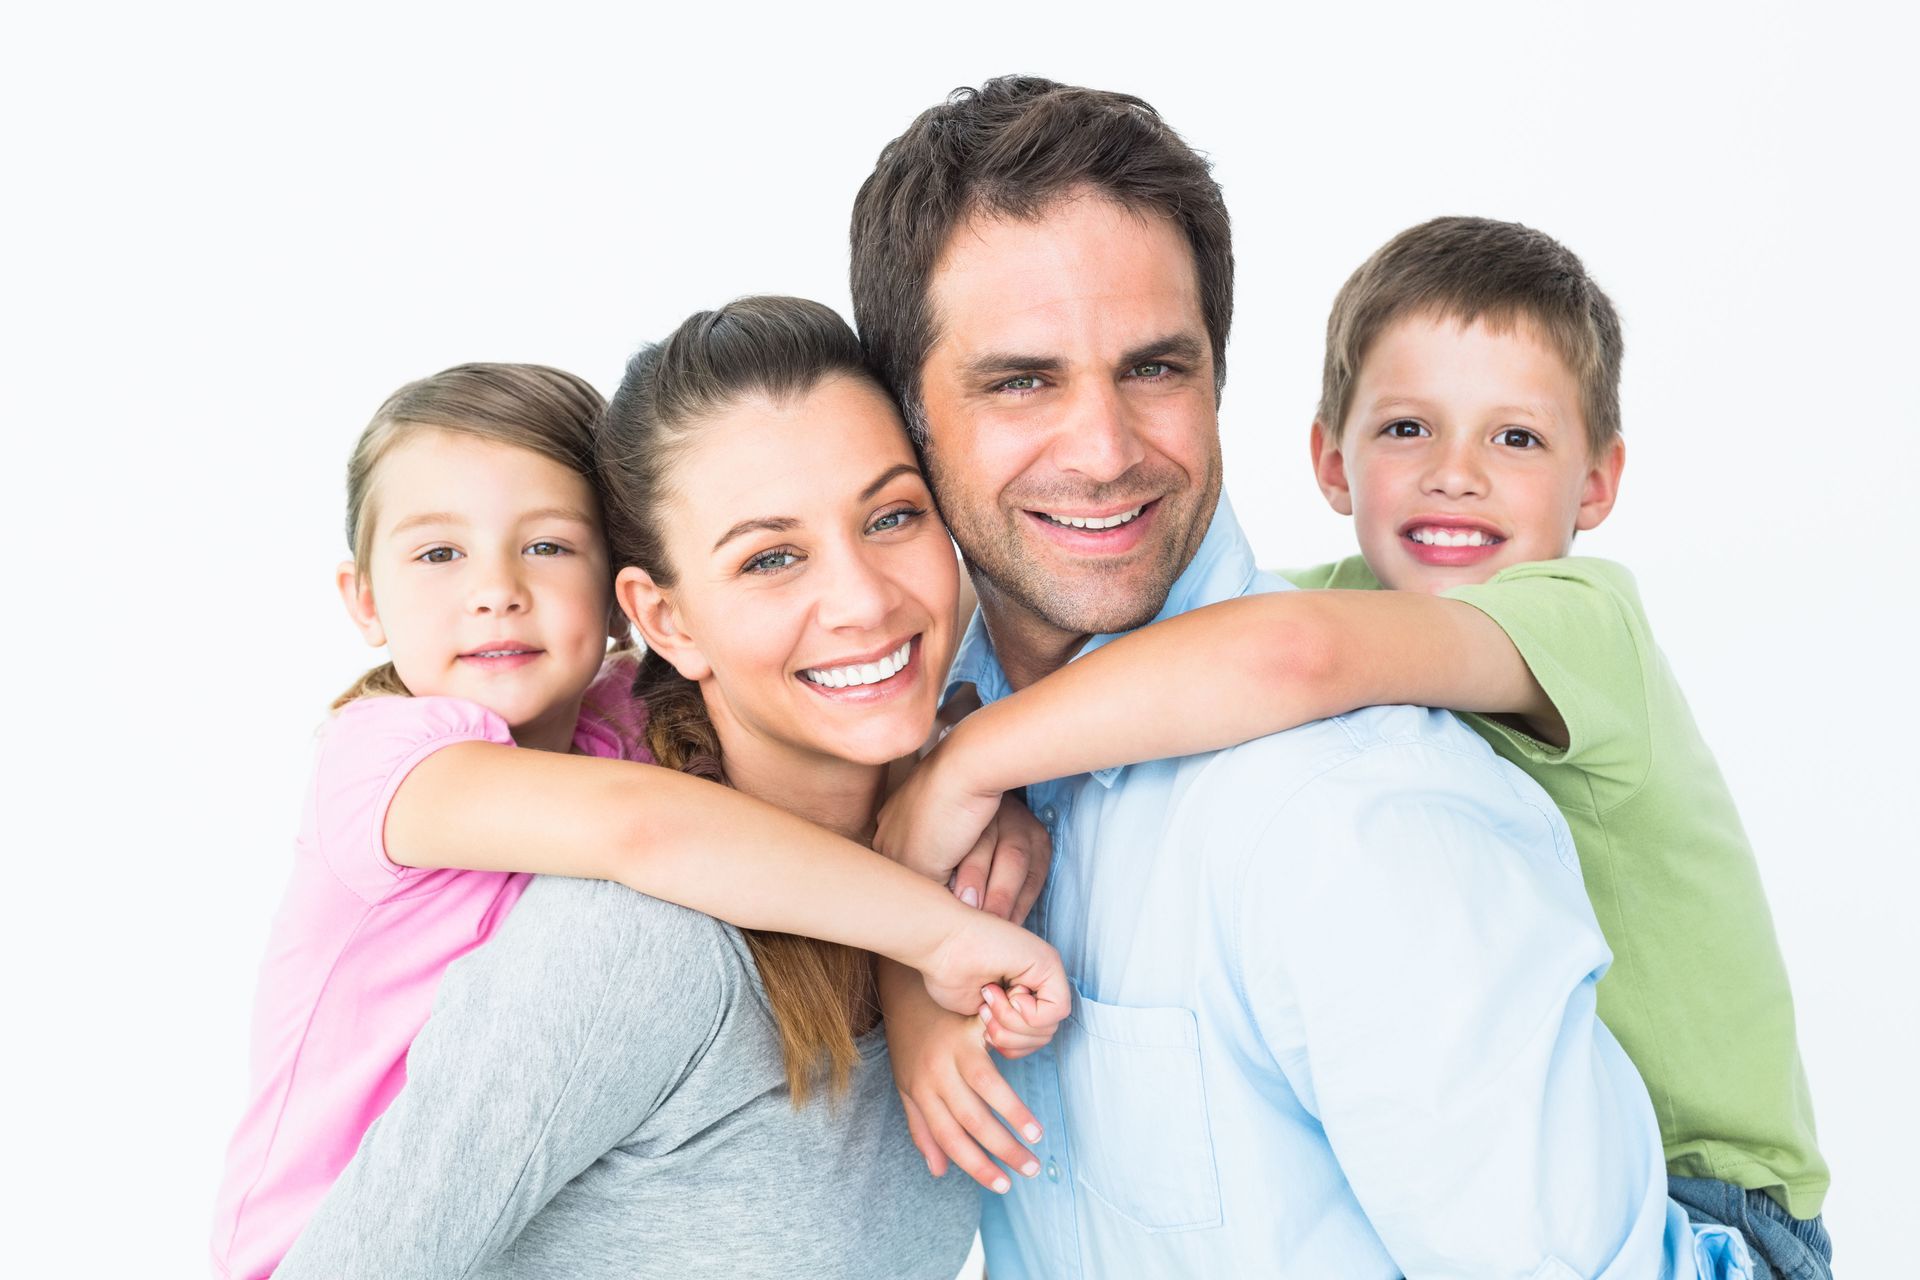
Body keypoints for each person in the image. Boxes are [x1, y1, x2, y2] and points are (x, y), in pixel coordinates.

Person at [853, 76, 1752, 1278]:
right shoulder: (900, 732)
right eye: (1022, 379)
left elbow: (1294, 650)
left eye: (1156, 368)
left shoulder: (1352, 818)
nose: (1107, 449)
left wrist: (965, 766)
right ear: (905, 419)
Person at [216, 356, 1066, 1279]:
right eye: (437, 553)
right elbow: (648, 829)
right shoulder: (383, 764)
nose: (496, 590)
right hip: (315, 1235)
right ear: (364, 601)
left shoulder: (615, 722)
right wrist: (940, 937)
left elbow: (886, 654)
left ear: (625, 608)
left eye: (547, 546)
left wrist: (981, 778)